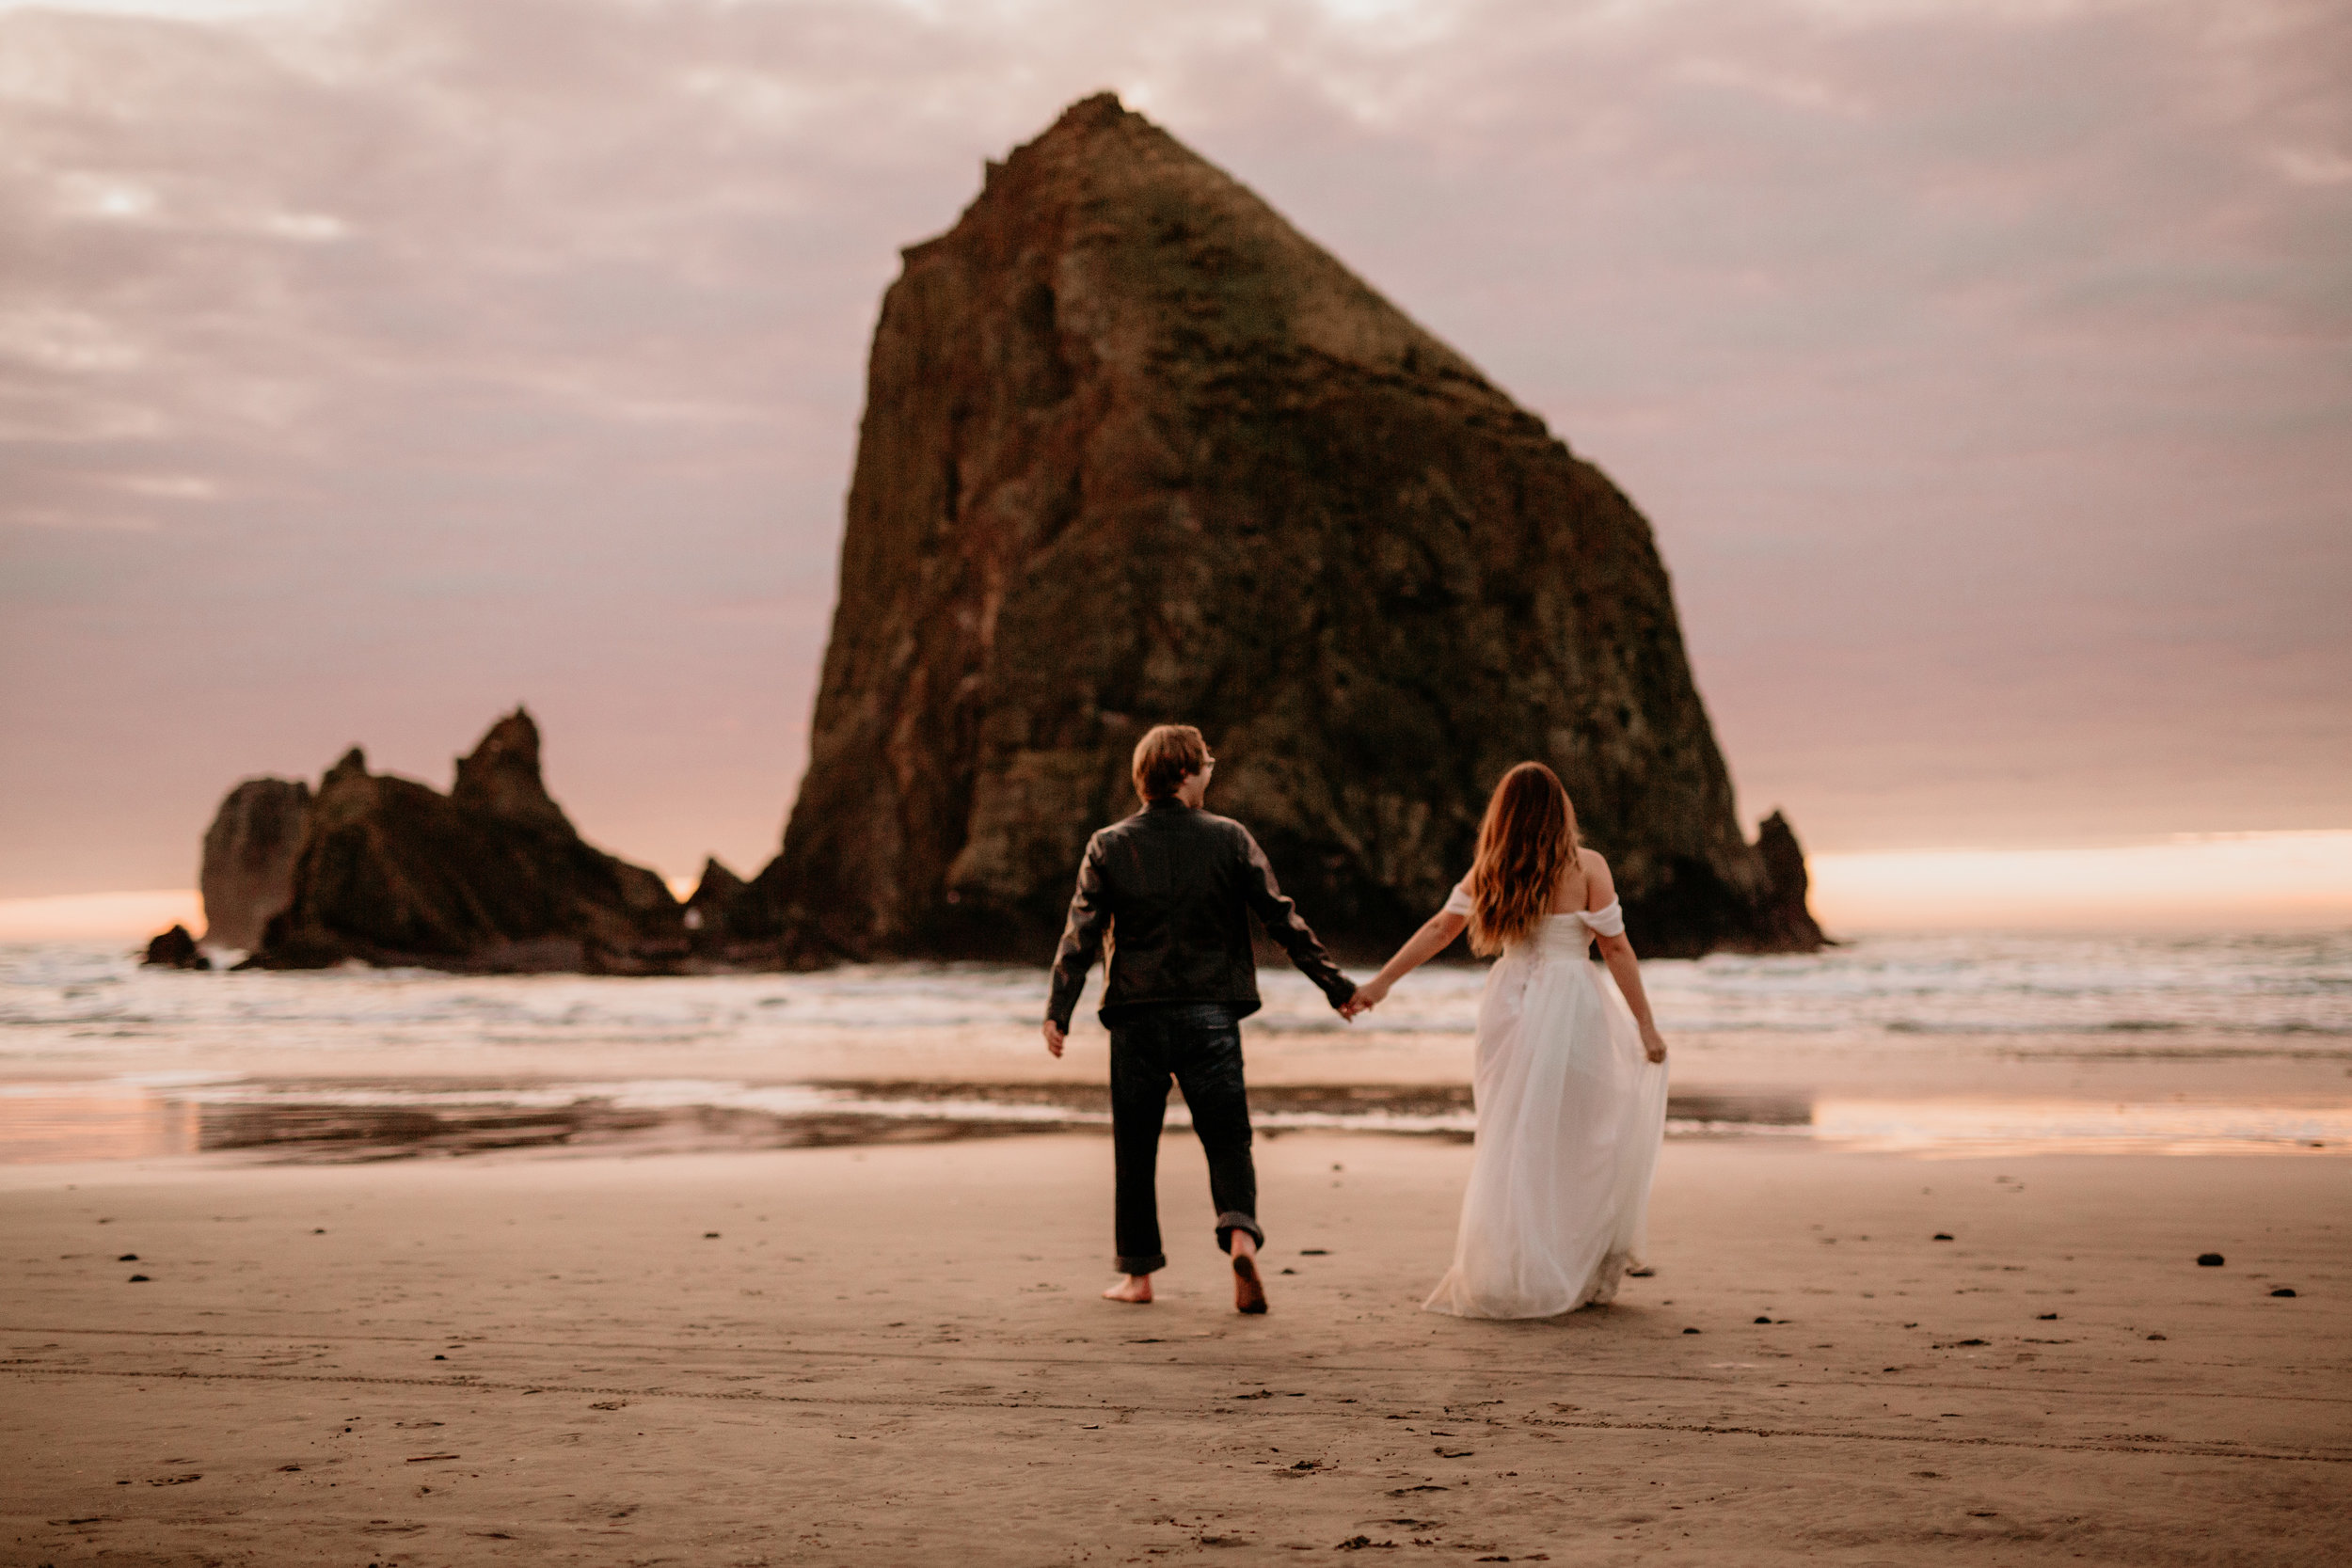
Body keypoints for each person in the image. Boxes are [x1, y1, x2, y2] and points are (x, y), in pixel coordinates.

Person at [1044, 724, 1359, 1314]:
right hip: (1210, 1013)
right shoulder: (1229, 838)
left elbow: (1080, 934)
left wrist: (1058, 1011)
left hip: (1136, 1015)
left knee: (1134, 1148)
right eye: (1207, 764)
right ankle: (1240, 1237)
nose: (1212, 772)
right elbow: (1282, 920)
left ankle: (1137, 1276)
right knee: (1227, 1136)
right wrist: (1335, 986)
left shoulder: (1109, 844)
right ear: (1185, 772)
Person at [1343, 762, 1669, 1318]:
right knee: (1584, 1134)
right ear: (1561, 809)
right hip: (1572, 1007)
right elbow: (1615, 949)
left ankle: (1513, 1264)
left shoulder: (1491, 869)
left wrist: (1381, 983)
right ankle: (1572, 1262)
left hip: (1509, 1004)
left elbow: (1439, 929)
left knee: (1512, 1137)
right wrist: (1645, 1026)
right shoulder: (1587, 867)